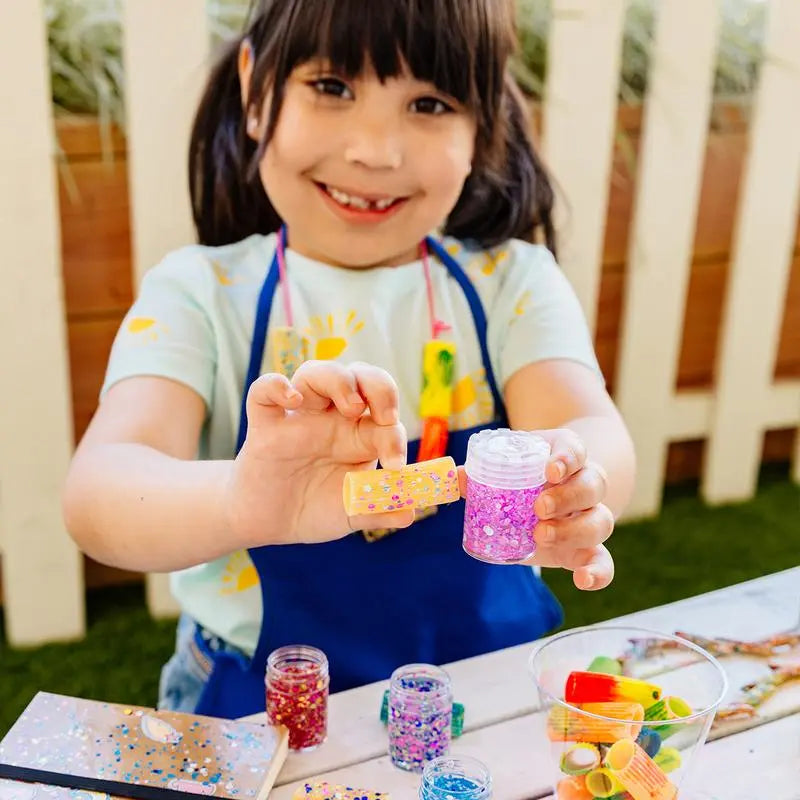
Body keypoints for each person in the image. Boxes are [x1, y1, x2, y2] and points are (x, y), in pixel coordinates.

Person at [63, 0, 636, 719]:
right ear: (255, 90)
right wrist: (241, 501)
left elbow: (591, 426)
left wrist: (571, 481)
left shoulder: (513, 283)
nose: (375, 151)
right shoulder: (199, 295)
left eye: (430, 103)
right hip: (262, 701)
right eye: (331, 87)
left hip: (488, 691)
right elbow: (100, 491)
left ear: (482, 125)